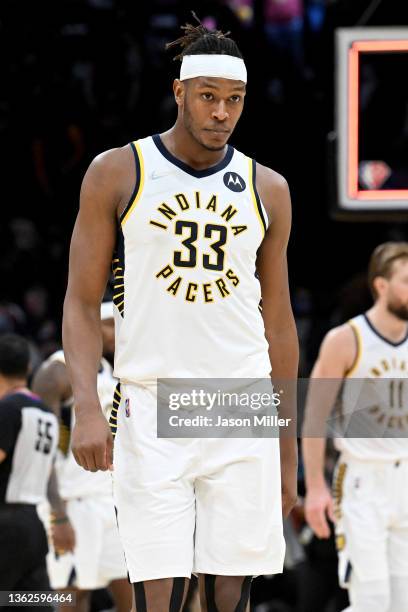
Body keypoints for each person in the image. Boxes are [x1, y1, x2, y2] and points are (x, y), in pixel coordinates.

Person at [62, 17, 298, 612]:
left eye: (235, 100)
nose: (222, 113)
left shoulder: (268, 189)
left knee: (229, 596)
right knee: (158, 596)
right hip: (150, 398)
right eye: (209, 98)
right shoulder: (118, 171)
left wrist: (289, 448)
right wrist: (87, 405)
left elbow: (281, 324)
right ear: (179, 93)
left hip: (240, 401)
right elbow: (81, 301)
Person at [302, 242, 408, 612]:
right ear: (381, 286)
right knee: (373, 600)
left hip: (405, 478)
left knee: (402, 601)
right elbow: (314, 417)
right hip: (362, 480)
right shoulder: (346, 339)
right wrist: (315, 488)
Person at [32, 302, 132, 612]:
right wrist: (57, 513)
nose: (115, 332)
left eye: (118, 324)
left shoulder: (112, 370)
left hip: (110, 501)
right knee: (72, 599)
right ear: (87, 323)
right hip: (71, 504)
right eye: (107, 324)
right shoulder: (56, 371)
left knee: (132, 595)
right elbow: (40, 453)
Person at [0, 333, 58, 596]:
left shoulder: (7, 408)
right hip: (35, 523)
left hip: (6, 523)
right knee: (29, 604)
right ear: (28, 367)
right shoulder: (47, 413)